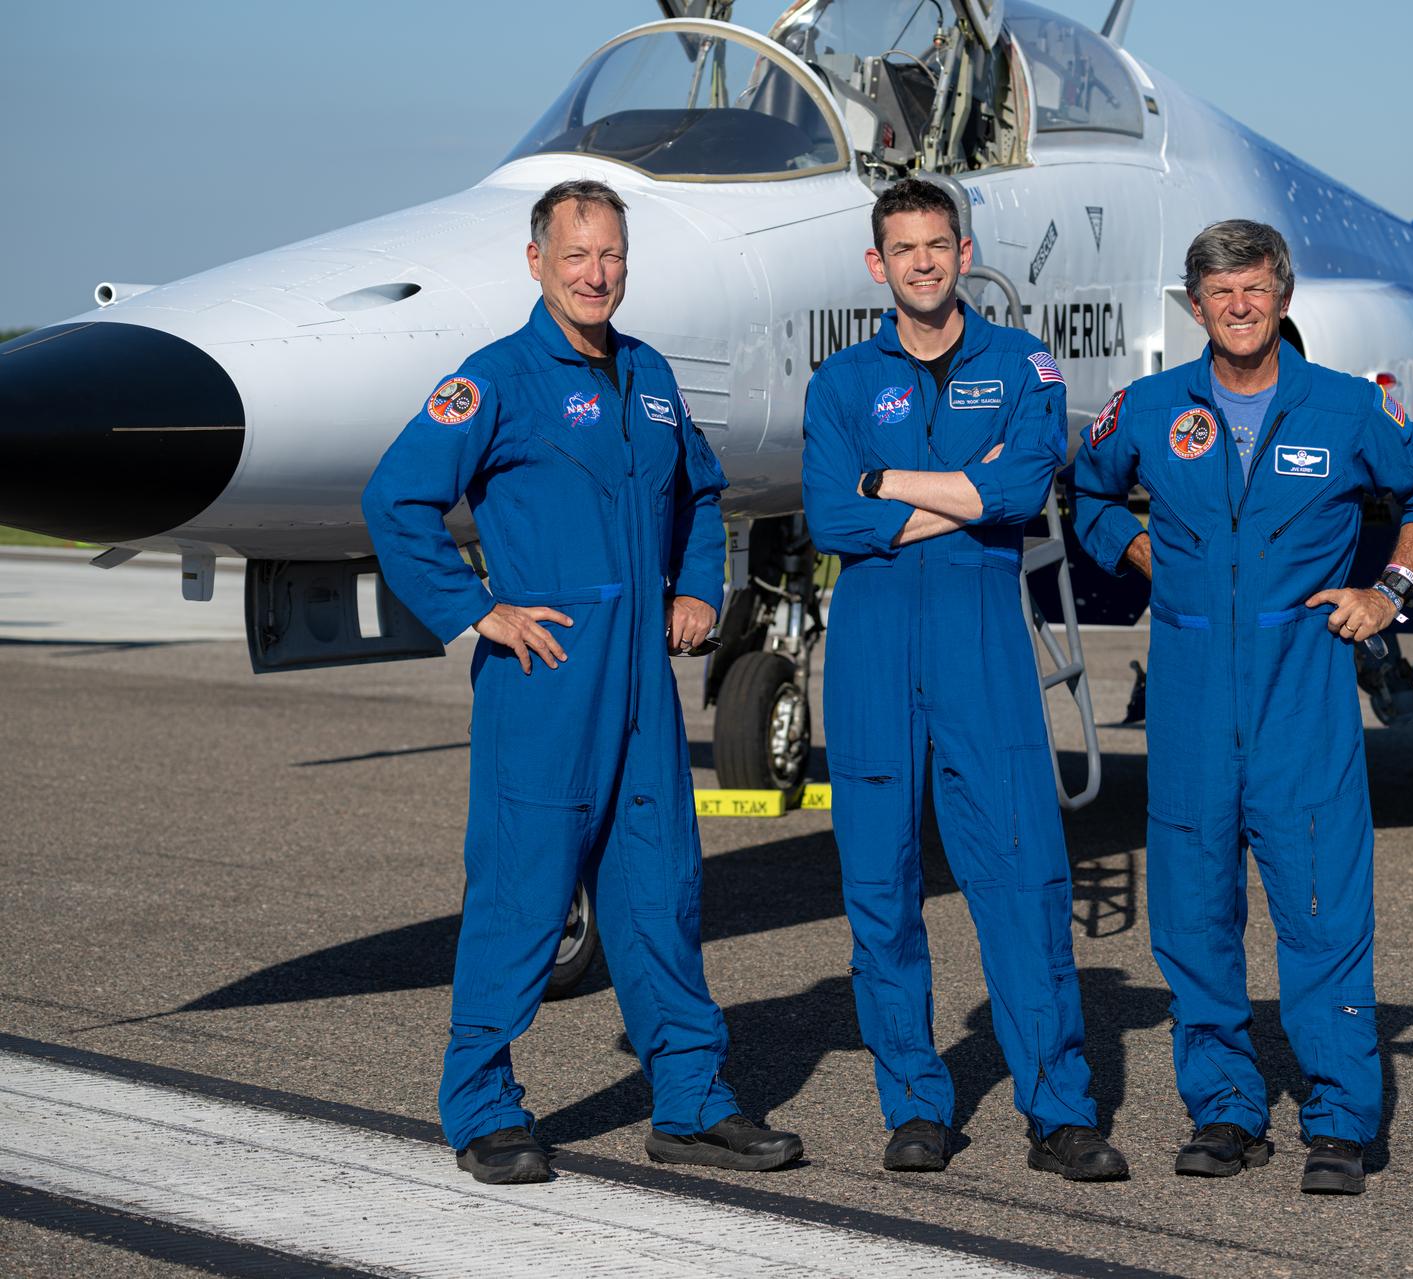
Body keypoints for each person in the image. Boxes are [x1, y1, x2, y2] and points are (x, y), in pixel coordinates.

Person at [362, 179, 801, 1184]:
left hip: (644, 682)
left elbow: (699, 490)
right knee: (522, 896)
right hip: (546, 677)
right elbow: (397, 499)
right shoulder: (496, 379)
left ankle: (689, 1100)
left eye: (610, 257)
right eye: (576, 258)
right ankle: (481, 1105)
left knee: (661, 894)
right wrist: (479, 610)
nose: (595, 275)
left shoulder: (648, 374)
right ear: (536, 264)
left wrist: (698, 590)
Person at [1070, 219, 1413, 1194]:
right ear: (1194, 305)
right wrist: (1141, 553)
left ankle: (1338, 1122)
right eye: (1219, 292)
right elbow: (1088, 495)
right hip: (1194, 703)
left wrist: (1389, 593)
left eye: (1255, 289)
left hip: (1304, 699)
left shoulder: (1347, 407)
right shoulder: (1154, 409)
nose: (1238, 307)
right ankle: (1226, 1110)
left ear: (1282, 298)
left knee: (1322, 912)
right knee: (1194, 918)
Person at [801, 178, 1128, 1182]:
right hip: (871, 657)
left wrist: (887, 481)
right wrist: (965, 496)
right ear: (878, 265)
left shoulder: (1021, 362)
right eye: (904, 249)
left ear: (963, 248)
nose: (924, 263)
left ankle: (1060, 1109)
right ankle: (914, 1102)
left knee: (1024, 880)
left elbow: (1025, 489)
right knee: (880, 889)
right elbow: (830, 517)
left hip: (982, 650)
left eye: (939, 245)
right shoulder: (841, 383)